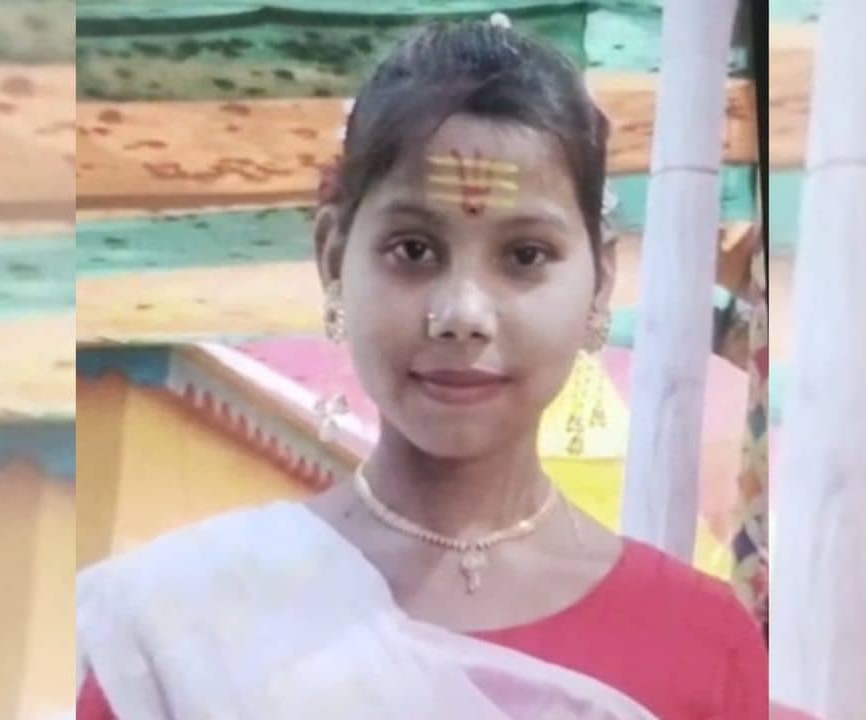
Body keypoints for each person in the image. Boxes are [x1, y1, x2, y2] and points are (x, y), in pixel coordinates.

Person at [77, 19, 766, 719]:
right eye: (413, 250)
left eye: (524, 255)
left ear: (600, 280)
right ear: (332, 257)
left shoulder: (699, 643)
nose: (463, 313)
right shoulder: (182, 636)